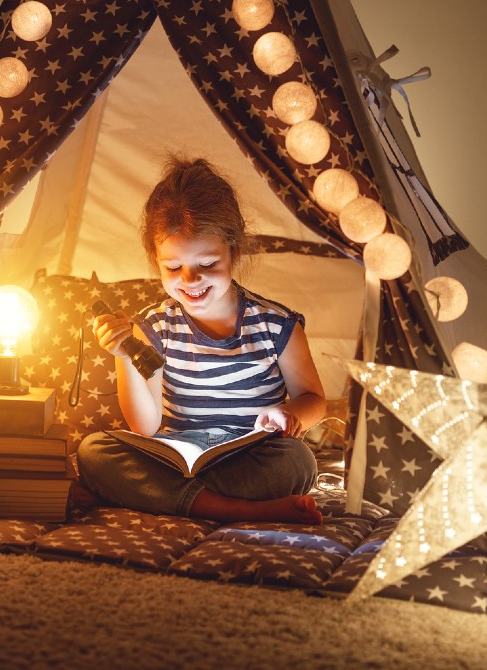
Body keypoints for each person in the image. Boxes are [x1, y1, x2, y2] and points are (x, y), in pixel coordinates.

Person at [76, 156, 326, 525]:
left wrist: (290, 415)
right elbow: (144, 427)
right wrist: (124, 355)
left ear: (233, 251)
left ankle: (169, 498)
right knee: (93, 451)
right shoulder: (152, 326)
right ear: (156, 260)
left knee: (298, 461)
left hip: (247, 458)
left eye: (207, 265)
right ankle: (238, 510)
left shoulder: (277, 325)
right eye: (173, 267)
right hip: (176, 457)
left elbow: (314, 400)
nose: (190, 280)